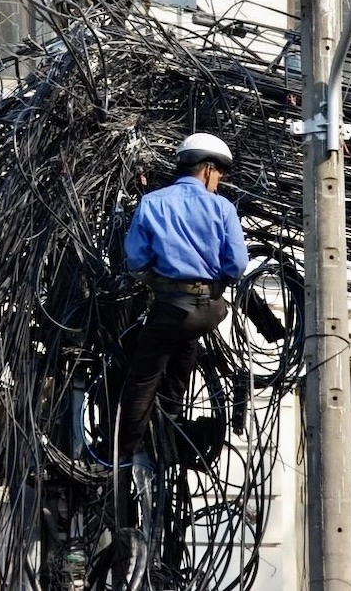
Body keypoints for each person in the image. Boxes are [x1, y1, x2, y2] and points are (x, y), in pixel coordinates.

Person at [118, 132, 248, 462]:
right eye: (219, 174)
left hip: (170, 305)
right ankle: (171, 426)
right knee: (184, 350)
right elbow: (237, 264)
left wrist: (156, 278)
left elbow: (135, 260)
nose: (218, 182)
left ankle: (120, 454)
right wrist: (216, 281)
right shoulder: (222, 209)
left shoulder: (152, 203)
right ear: (207, 169)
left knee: (143, 376)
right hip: (210, 310)